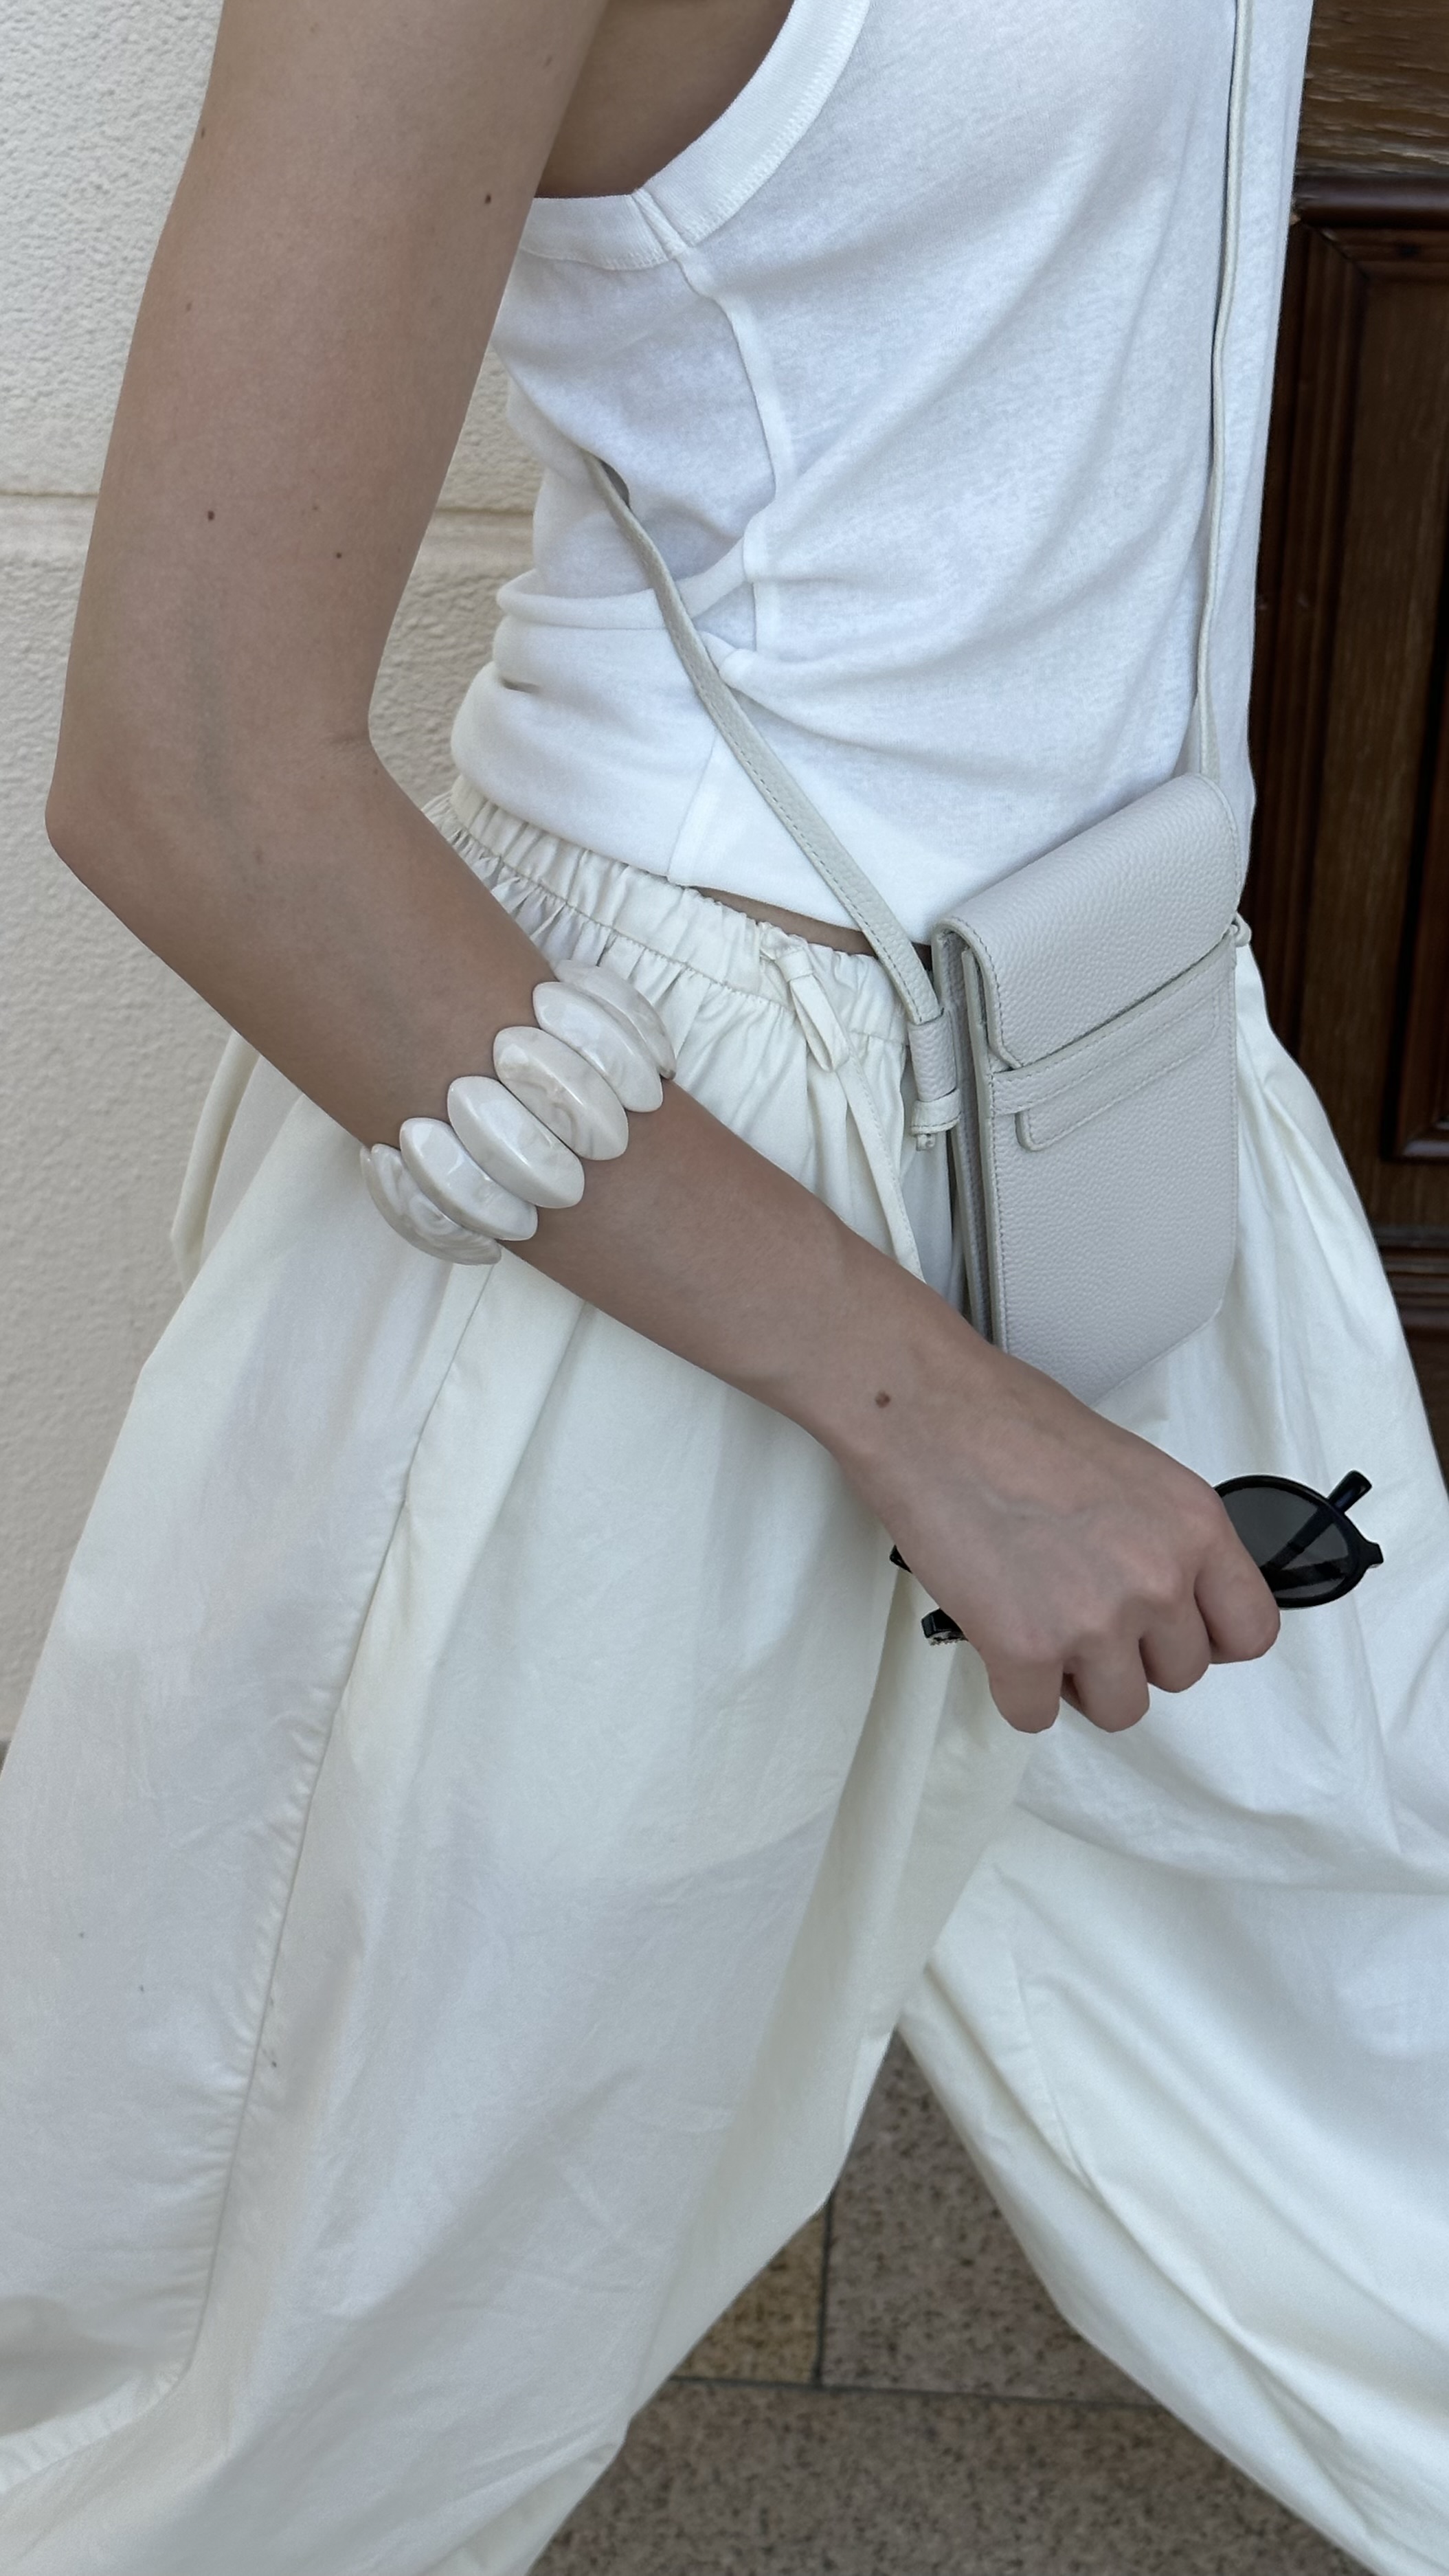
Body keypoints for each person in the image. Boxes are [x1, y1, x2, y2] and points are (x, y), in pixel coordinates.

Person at [1, 1, 1444, 2571]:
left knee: (1383, 2061)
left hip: (1105, 1085)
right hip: (647, 1187)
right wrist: (949, 1422)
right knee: (282, 2397)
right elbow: (191, 774)